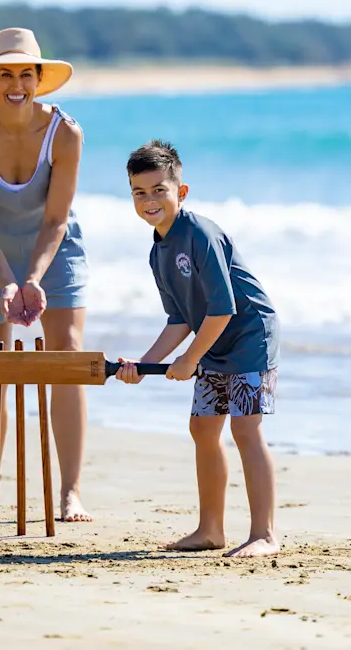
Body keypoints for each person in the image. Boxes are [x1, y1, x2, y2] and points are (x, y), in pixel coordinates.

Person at [0, 27, 93, 522]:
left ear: (38, 78)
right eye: (6, 75)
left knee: (67, 357)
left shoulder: (65, 133)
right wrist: (7, 281)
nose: (17, 85)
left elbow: (55, 220)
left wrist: (31, 278)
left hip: (54, 248)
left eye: (26, 74)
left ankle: (71, 491)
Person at [115, 139, 281, 558]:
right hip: (213, 339)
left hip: (249, 336)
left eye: (159, 190)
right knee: (203, 429)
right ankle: (210, 530)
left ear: (181, 191)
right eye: (139, 192)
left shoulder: (200, 234)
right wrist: (145, 364)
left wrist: (190, 359)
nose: (149, 200)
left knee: (245, 429)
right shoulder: (158, 251)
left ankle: (264, 534)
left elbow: (223, 309)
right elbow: (180, 319)